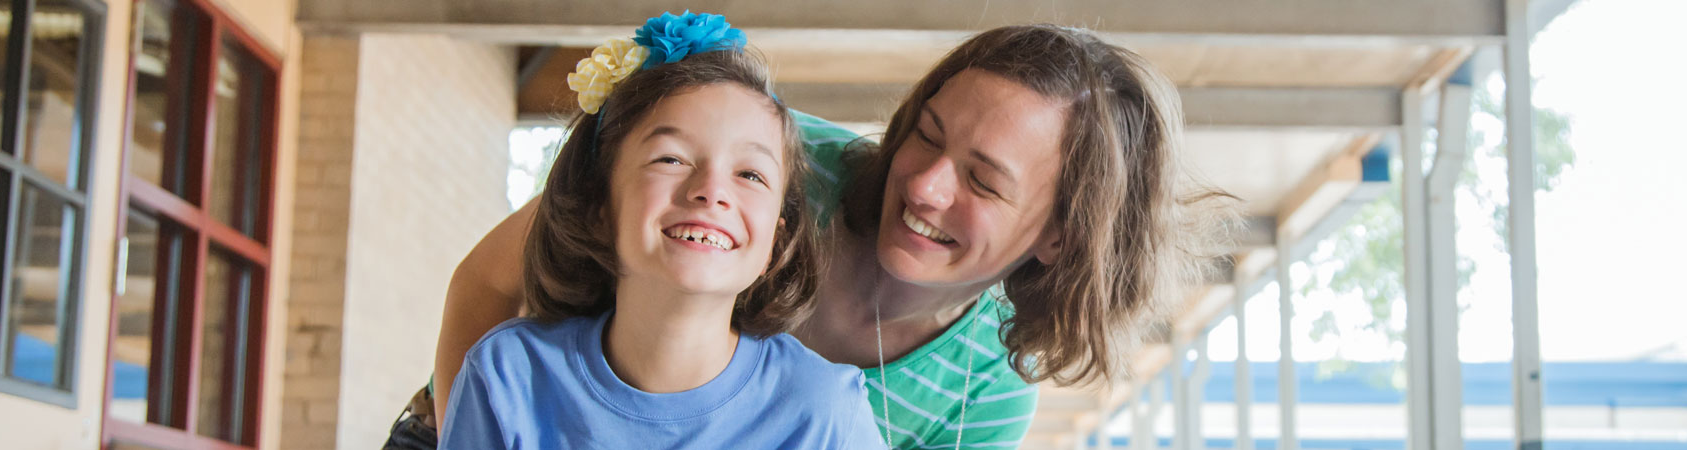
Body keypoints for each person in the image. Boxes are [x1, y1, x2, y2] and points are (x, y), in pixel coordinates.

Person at [413, 24, 1232, 450]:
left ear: (1059, 236)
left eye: (983, 180)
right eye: (926, 133)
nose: (925, 184)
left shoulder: (977, 398)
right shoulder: (757, 159)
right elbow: (486, 286)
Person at [435, 12, 882, 449]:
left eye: (750, 174)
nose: (711, 191)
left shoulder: (826, 414)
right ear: (599, 208)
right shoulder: (507, 376)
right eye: (670, 159)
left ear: (775, 244)